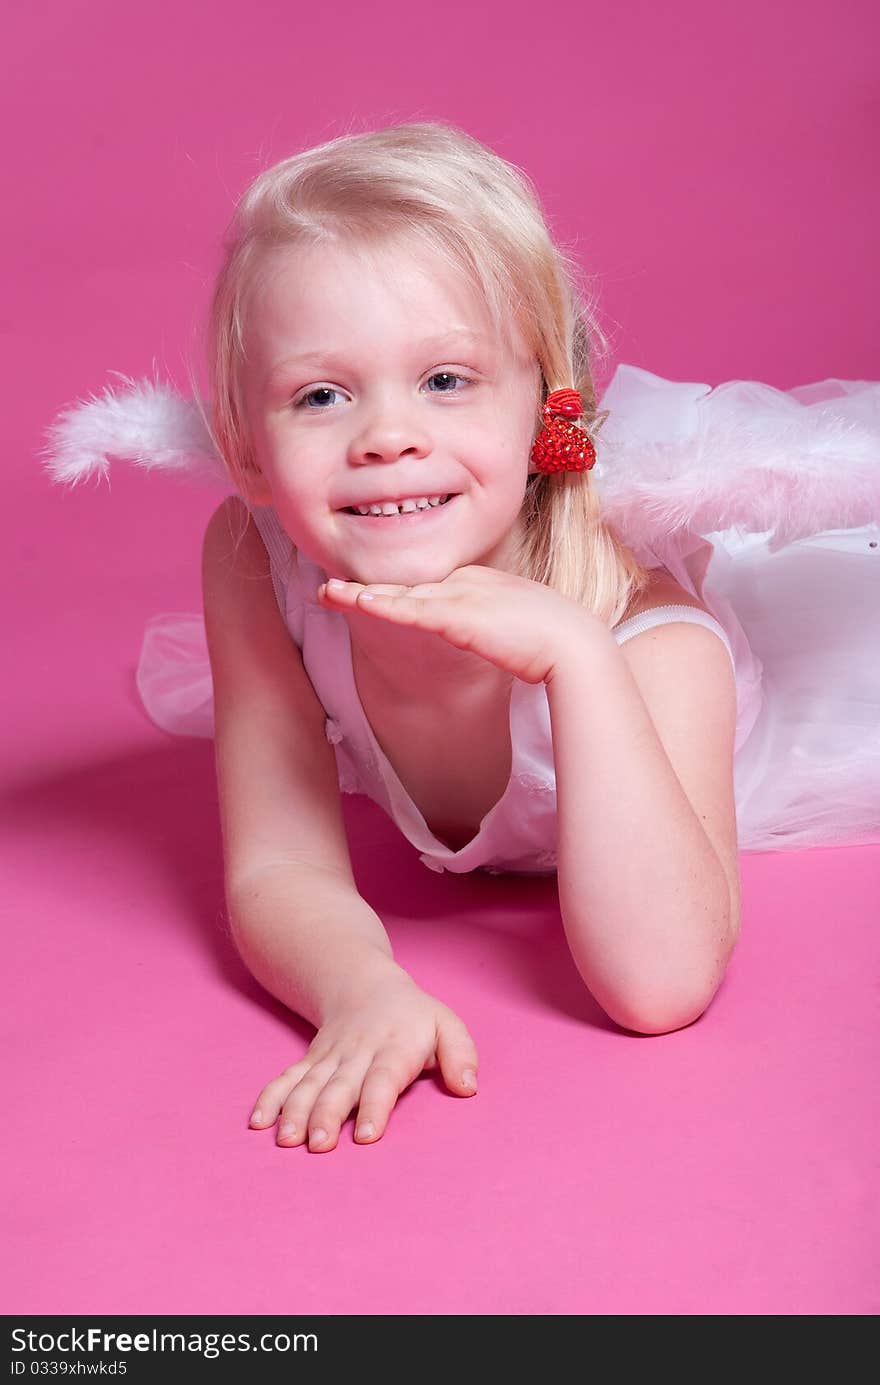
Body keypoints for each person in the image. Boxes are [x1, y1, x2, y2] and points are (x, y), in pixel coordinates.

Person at [41, 121, 880, 1154]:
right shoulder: (255, 558)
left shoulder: (652, 637)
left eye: (446, 379)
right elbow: (278, 866)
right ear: (247, 450)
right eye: (320, 394)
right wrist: (360, 989)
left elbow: (661, 983)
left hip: (723, 744)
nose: (388, 435)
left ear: (545, 409)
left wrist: (578, 659)